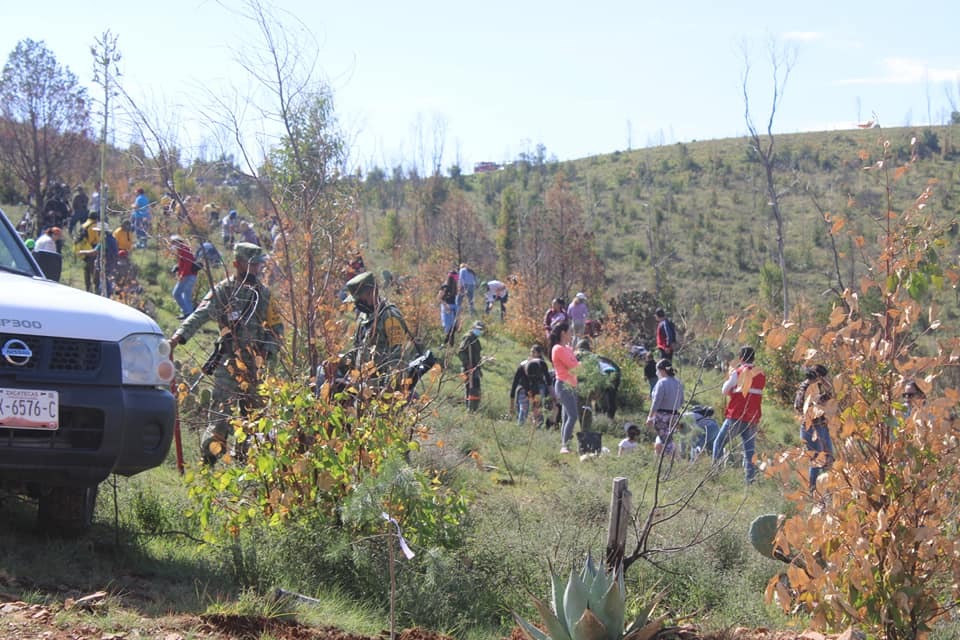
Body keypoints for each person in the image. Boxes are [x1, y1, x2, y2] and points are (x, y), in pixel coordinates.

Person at [169, 242, 284, 465]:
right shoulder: (223, 290)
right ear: (236, 264)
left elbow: (277, 329)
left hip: (255, 368)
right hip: (228, 364)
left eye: (258, 265)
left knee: (254, 421)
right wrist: (178, 337)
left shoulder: (265, 295)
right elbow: (200, 314)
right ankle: (208, 463)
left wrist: (267, 351)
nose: (256, 269)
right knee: (220, 418)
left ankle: (246, 469)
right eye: (251, 265)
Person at [712, 346, 766, 483]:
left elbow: (725, 390)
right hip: (752, 417)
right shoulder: (761, 374)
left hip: (736, 416)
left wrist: (731, 377)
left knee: (718, 443)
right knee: (749, 451)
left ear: (741, 358)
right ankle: (750, 480)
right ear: (754, 357)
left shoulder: (738, 372)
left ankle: (715, 475)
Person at [343, 271, 412, 378]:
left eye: (359, 299)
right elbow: (357, 350)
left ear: (372, 292)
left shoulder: (389, 316)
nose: (357, 303)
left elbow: (398, 358)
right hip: (364, 383)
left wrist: (390, 385)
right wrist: (340, 362)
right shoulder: (363, 317)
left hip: (383, 383)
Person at [795, 364, 835, 491]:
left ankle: (828, 490)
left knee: (828, 458)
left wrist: (823, 382)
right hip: (810, 428)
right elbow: (798, 407)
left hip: (821, 426)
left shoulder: (816, 387)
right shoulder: (804, 387)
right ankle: (813, 490)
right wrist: (814, 404)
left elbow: (830, 393)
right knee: (817, 460)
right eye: (821, 377)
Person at [550, 321, 579, 454]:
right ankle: (564, 446)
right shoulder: (558, 349)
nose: (571, 335)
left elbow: (575, 365)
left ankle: (565, 444)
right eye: (569, 332)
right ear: (563, 333)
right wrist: (579, 364)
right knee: (573, 416)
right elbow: (573, 365)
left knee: (567, 417)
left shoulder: (567, 348)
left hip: (571, 385)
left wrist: (577, 365)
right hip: (563, 385)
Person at [646, 359, 684, 457]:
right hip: (675, 415)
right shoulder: (678, 383)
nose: (657, 372)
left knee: (666, 441)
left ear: (662, 370)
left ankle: (672, 461)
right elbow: (681, 401)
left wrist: (650, 417)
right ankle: (668, 458)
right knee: (670, 438)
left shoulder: (661, 383)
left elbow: (656, 401)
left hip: (661, 416)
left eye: (658, 370)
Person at [510, 344, 550, 426]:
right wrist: (512, 401)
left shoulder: (542, 364)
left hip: (538, 387)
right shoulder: (522, 365)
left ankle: (537, 425)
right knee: (523, 408)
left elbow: (548, 380)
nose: (531, 353)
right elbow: (515, 382)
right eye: (531, 351)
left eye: (533, 352)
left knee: (537, 407)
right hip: (524, 388)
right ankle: (521, 425)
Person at [457, 321, 484, 411]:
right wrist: (467, 363)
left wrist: (479, 369)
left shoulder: (475, 339)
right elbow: (461, 352)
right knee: (470, 388)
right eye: (477, 329)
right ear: (473, 328)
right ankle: (470, 409)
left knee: (476, 388)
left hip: (475, 368)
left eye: (480, 329)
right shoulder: (468, 338)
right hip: (468, 368)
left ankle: (473, 409)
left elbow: (477, 356)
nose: (479, 330)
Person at [170, 234, 199, 319]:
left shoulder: (184, 250)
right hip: (190, 275)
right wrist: (178, 268)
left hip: (188, 275)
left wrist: (182, 275)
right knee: (186, 295)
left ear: (177, 242)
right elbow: (184, 263)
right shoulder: (183, 250)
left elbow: (187, 264)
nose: (172, 245)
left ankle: (187, 313)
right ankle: (188, 314)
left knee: (176, 293)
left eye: (173, 243)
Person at [438, 271, 459, 346]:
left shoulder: (455, 287)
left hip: (454, 307)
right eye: (456, 277)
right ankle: (445, 344)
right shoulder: (445, 286)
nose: (457, 279)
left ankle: (449, 345)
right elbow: (440, 298)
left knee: (454, 327)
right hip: (446, 307)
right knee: (448, 327)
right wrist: (446, 306)